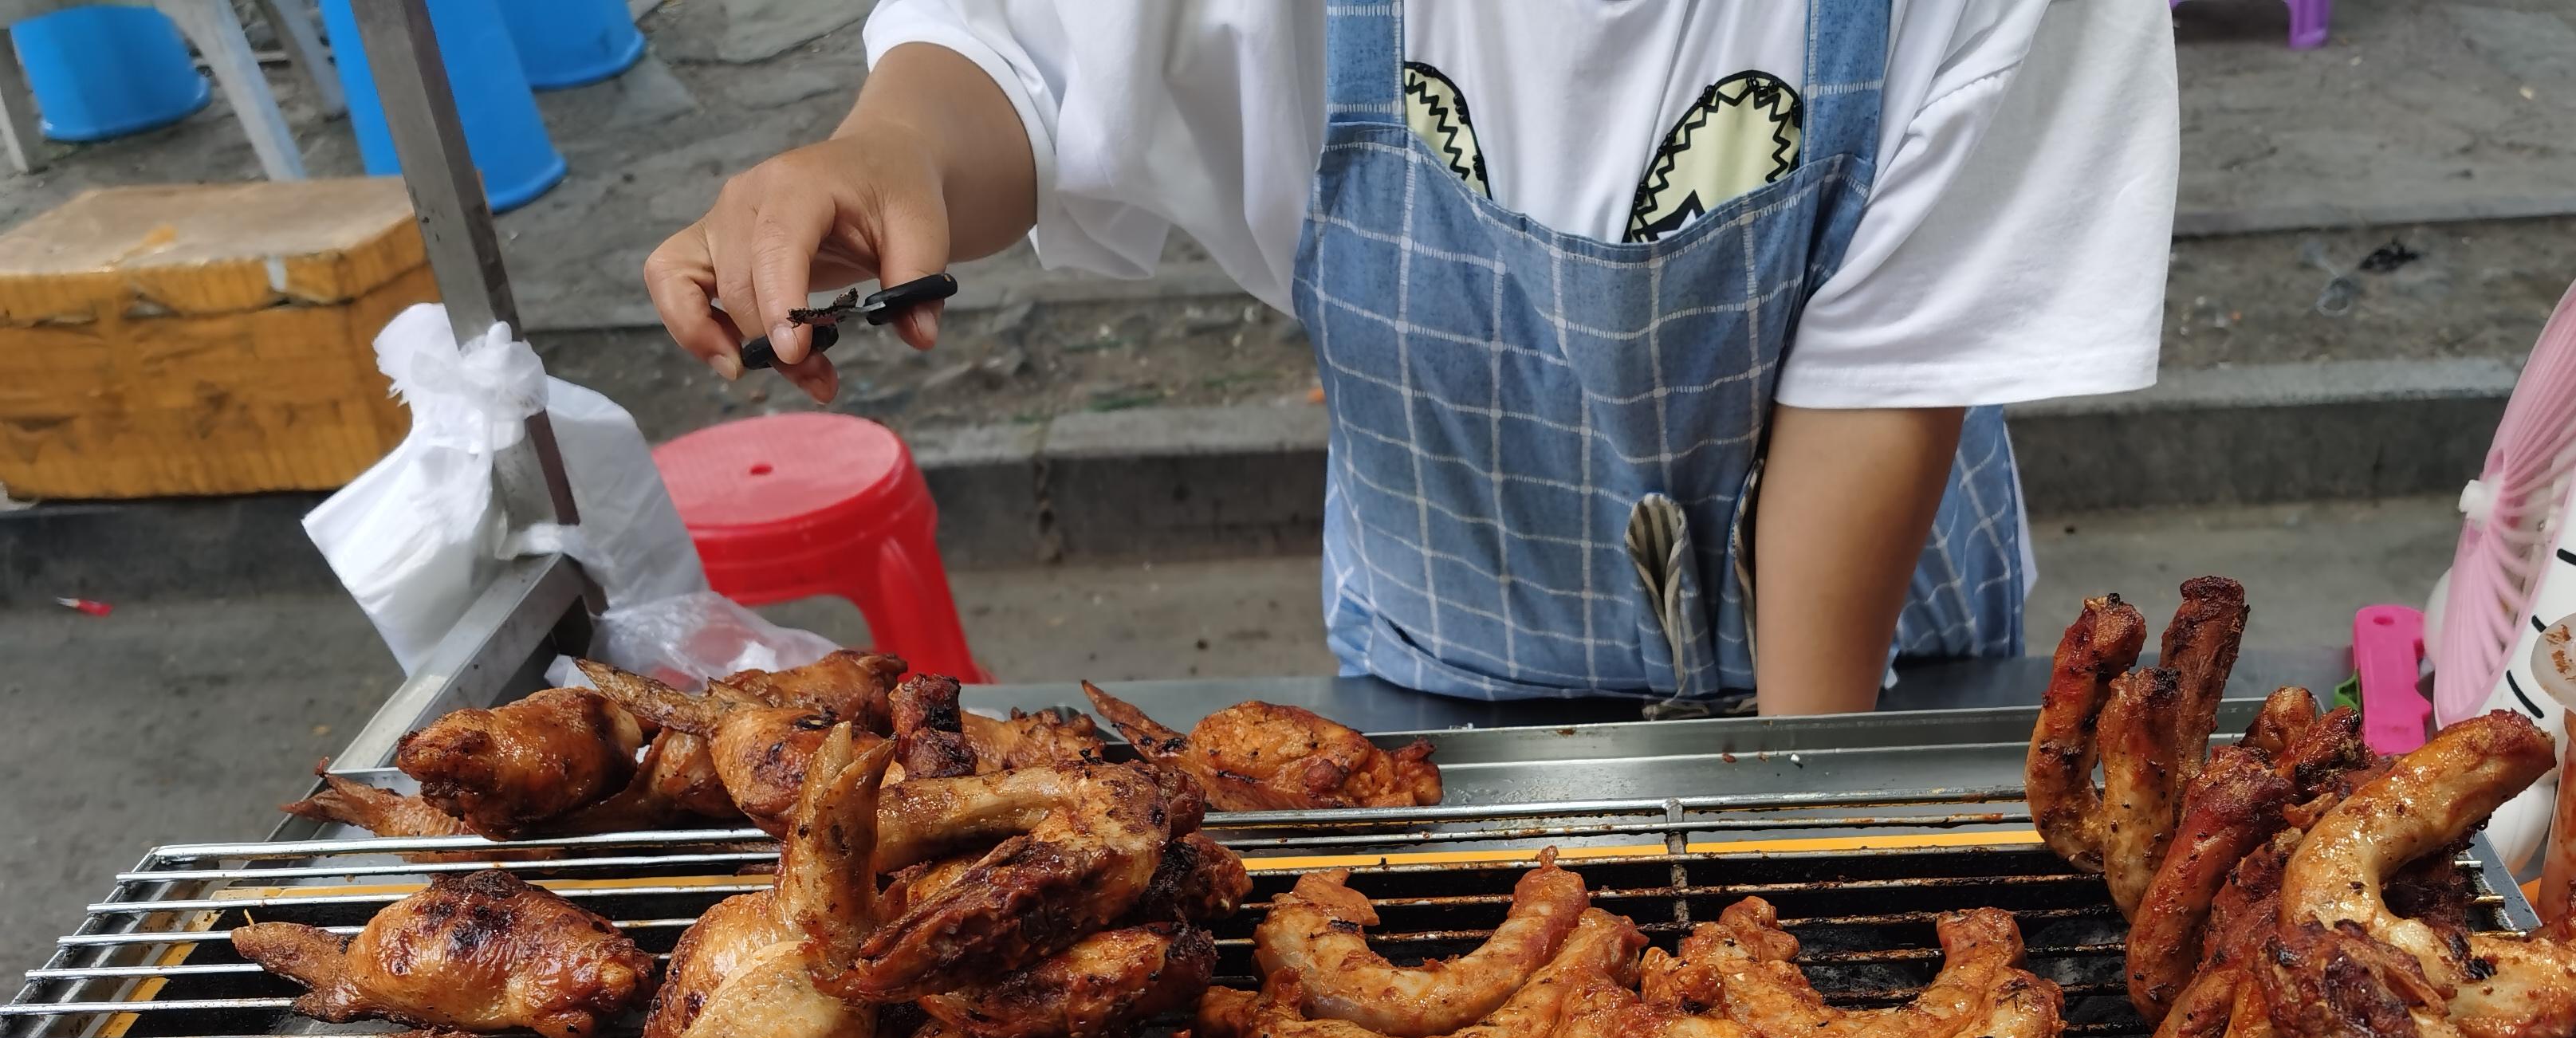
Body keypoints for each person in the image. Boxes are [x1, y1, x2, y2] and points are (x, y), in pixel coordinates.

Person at [648, 2, 2177, 714]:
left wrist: (1790, 865)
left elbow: (1875, 398)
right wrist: (890, 147)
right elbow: (1026, 54)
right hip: (1444, 661)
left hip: (1878, 669)